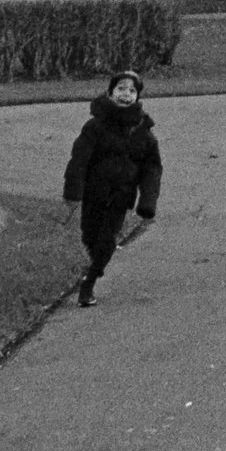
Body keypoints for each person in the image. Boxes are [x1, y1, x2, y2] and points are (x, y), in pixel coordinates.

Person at [61, 69, 161, 307]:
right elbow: (79, 160)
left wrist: (147, 202)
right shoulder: (95, 127)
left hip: (121, 195)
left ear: (137, 97)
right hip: (93, 193)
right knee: (90, 236)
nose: (126, 94)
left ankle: (89, 282)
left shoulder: (143, 133)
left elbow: (152, 170)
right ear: (110, 93)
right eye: (121, 89)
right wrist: (73, 192)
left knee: (107, 239)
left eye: (132, 91)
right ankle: (95, 265)